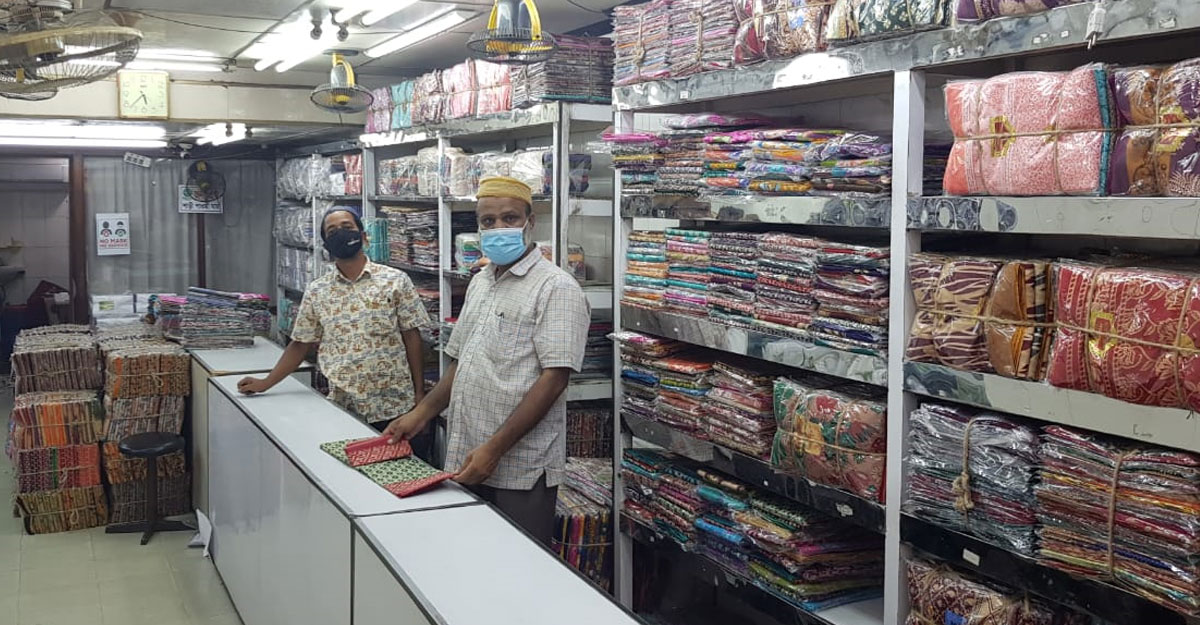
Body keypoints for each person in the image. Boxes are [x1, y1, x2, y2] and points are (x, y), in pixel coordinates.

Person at [384, 177, 590, 545]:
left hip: (519, 465)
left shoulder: (556, 288)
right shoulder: (481, 282)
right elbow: (462, 360)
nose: (498, 228)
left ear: (530, 222)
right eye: (488, 221)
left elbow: (554, 380)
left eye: (510, 218)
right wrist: (422, 413)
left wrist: (494, 450)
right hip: (466, 451)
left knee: (518, 559)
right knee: (468, 551)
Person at [239, 207, 432, 454]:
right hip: (343, 406)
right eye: (332, 231)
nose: (340, 233)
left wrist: (419, 396)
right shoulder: (318, 291)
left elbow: (412, 338)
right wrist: (265, 383)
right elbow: (300, 344)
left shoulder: (395, 281)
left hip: (394, 406)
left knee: (400, 471)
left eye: (347, 227)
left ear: (363, 236)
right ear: (327, 245)